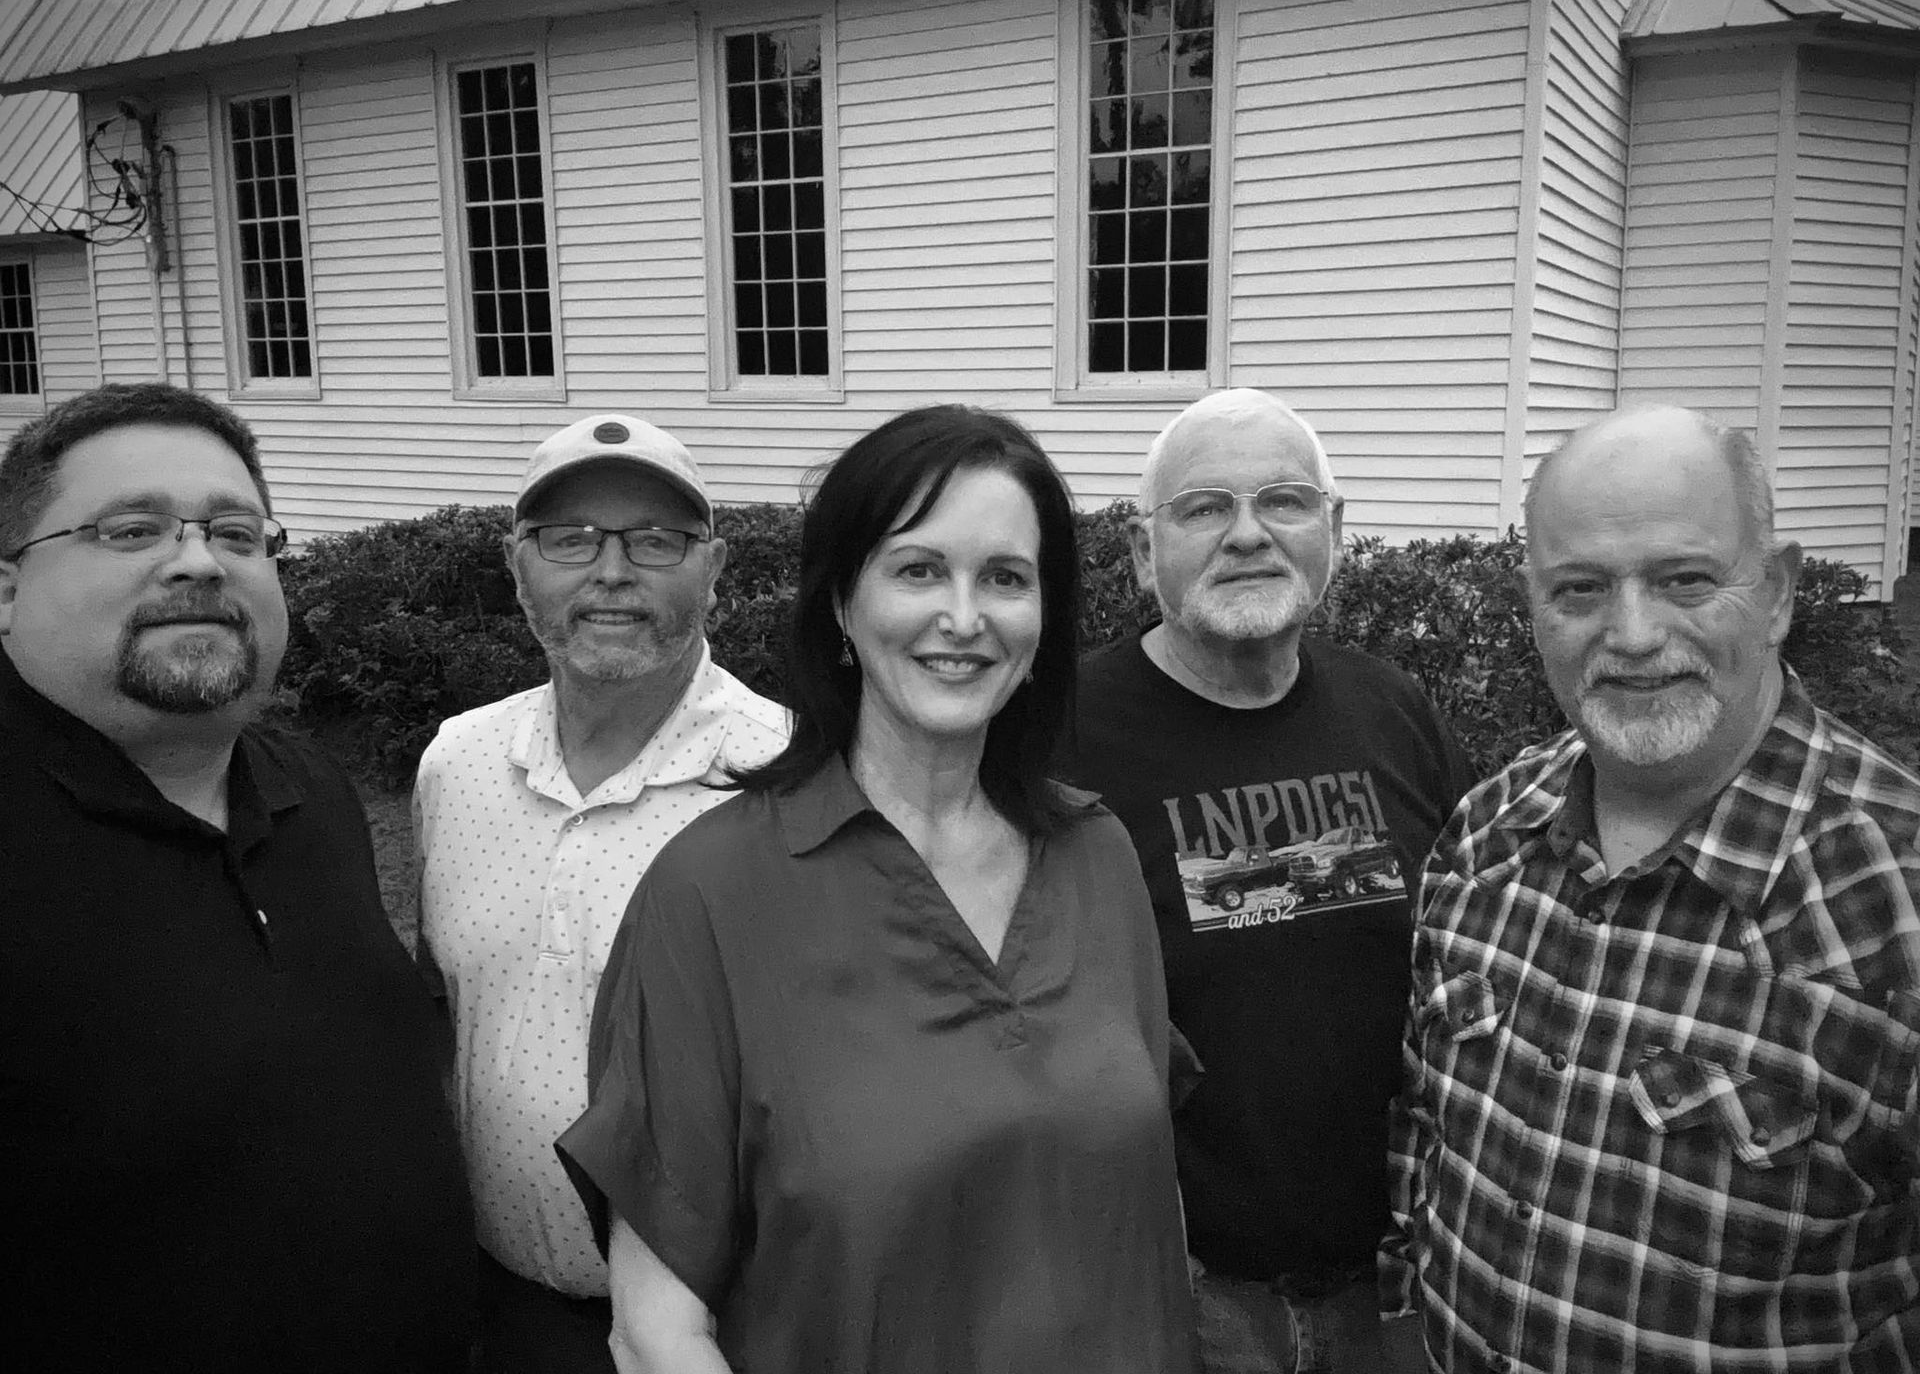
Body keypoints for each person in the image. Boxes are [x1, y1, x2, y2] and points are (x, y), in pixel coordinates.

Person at [558, 405, 1197, 1373]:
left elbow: (1144, 1209)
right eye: (918, 569)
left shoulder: (1097, 857)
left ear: (1043, 622)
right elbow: (655, 1331)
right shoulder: (712, 896)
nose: (965, 616)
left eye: (1007, 579)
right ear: (840, 606)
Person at [1384, 405, 1920, 1370]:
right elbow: (1424, 1126)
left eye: (1685, 580)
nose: (1632, 634)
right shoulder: (1486, 834)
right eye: (1581, 589)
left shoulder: (1895, 899)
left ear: (1782, 593)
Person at [0, 383, 473, 1372]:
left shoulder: (305, 784)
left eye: (238, 532)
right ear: (8, 588)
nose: (198, 560)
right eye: (131, 531)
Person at [1059, 387, 1474, 1373]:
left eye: (1283, 501)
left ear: (1335, 530)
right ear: (1140, 554)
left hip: (1398, 1289)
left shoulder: (1394, 710)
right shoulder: (1057, 739)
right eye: (1204, 508)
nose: (1247, 535)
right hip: (1179, 1292)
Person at [414, 413, 787, 1371]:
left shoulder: (787, 779)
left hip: (722, 1328)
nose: (610, 571)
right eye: (568, 539)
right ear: (516, 565)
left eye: (656, 540)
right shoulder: (456, 765)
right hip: (497, 1309)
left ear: (713, 566)